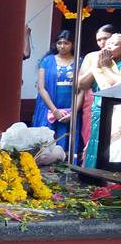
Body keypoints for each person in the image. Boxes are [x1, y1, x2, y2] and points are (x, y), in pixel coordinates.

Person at [31, 30, 75, 151]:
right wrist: (54, 110)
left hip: (70, 108)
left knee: (66, 142)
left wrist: (73, 112)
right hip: (49, 107)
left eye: (66, 43)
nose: (62, 46)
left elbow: (81, 90)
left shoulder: (79, 61)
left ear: (72, 44)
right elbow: (41, 88)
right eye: (59, 42)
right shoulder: (47, 61)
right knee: (45, 144)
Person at [84, 34, 121, 168]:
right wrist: (96, 66)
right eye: (108, 43)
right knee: (95, 144)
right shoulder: (99, 60)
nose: (108, 46)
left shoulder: (108, 64)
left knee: (112, 150)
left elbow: (118, 84)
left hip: (117, 113)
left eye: (114, 44)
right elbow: (81, 85)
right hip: (99, 110)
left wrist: (105, 67)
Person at [78, 24, 117, 149]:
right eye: (99, 40)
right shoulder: (91, 57)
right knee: (90, 141)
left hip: (115, 105)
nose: (102, 43)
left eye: (106, 38)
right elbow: (81, 84)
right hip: (93, 104)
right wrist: (96, 66)